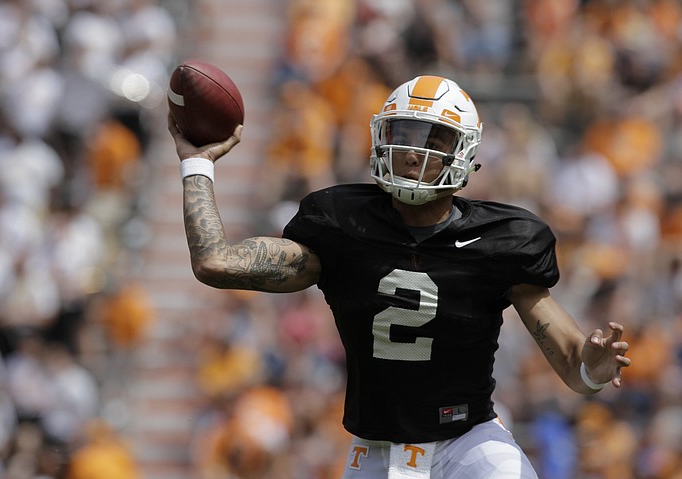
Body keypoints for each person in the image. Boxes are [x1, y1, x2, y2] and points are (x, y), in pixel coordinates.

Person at [167, 74, 631, 478]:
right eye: (405, 133)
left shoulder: (501, 239)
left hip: (469, 442)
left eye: (433, 139)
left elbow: (575, 369)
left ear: (464, 152)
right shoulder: (340, 225)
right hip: (376, 450)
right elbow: (215, 262)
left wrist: (593, 365)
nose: (412, 151)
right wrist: (197, 162)